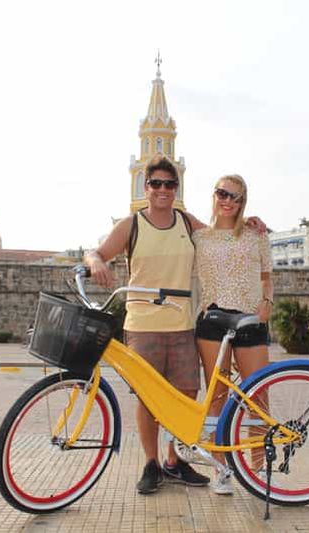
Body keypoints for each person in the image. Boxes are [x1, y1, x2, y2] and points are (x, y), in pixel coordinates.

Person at [85, 154, 212, 495]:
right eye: (156, 183)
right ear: (146, 187)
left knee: (186, 392)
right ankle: (150, 463)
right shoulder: (132, 224)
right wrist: (96, 263)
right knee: (148, 398)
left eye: (170, 184)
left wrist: (251, 225)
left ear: (177, 188)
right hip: (143, 325)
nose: (163, 190)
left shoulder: (187, 223)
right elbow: (95, 252)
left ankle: (174, 461)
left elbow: (221, 239)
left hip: (182, 323)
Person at [195, 174, 273, 496]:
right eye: (223, 193)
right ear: (213, 195)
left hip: (249, 321)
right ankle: (221, 469)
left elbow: (267, 278)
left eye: (237, 197)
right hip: (212, 321)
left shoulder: (256, 235)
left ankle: (259, 472)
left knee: (259, 396)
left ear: (244, 203)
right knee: (216, 397)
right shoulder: (199, 236)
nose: (228, 200)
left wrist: (266, 304)